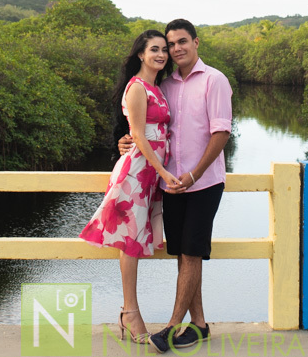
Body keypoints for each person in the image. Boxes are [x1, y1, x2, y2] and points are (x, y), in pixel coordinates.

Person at [120, 18, 232, 353]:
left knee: (193, 251)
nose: (175, 49)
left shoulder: (215, 80)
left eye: (182, 41)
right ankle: (198, 325)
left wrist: (195, 174)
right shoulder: (163, 86)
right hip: (170, 183)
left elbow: (221, 133)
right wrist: (125, 141)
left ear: (196, 42)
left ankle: (171, 327)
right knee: (183, 253)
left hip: (203, 183)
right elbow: (143, 126)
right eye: (170, 44)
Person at [80, 30, 182, 345]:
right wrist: (163, 171)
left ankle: (130, 311)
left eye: (164, 49)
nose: (161, 54)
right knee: (130, 241)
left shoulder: (158, 87)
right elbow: (137, 135)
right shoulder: (137, 88)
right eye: (154, 49)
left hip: (152, 173)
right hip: (139, 171)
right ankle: (130, 311)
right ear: (140, 53)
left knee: (140, 239)